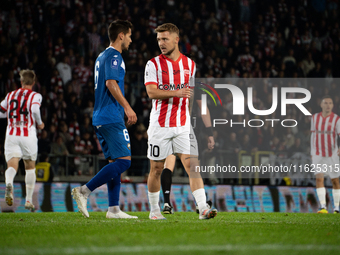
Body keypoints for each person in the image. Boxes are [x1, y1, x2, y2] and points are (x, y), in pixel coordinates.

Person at [144, 23, 217, 220]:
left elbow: (191, 95)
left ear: (177, 39)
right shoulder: (153, 64)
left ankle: (203, 208)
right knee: (157, 169)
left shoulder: (190, 65)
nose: (161, 43)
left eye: (165, 39)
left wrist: (192, 120)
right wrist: (176, 92)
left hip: (183, 125)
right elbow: (151, 92)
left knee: (193, 166)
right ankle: (154, 210)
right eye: (159, 39)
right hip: (160, 125)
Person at [71, 20, 138, 219]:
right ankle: (84, 190)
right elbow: (110, 83)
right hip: (110, 115)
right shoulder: (114, 56)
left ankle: (113, 209)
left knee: (114, 162)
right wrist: (127, 107)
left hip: (100, 116)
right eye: (129, 35)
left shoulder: (101, 56)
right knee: (124, 162)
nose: (131, 40)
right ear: (121, 36)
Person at [161, 85, 215, 214]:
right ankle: (200, 204)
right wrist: (210, 133)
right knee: (194, 167)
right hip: (186, 128)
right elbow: (203, 109)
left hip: (168, 123)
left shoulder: (170, 77)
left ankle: (167, 203)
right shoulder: (195, 83)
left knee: (168, 164)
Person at [0, 69, 44, 212]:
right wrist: (40, 123)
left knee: (11, 165)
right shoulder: (35, 96)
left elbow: (1, 111)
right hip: (28, 134)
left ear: (21, 81)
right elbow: (35, 110)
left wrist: (11, 116)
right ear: (34, 82)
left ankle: (9, 184)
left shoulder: (10, 94)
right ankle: (29, 201)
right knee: (30, 167)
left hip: (12, 133)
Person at [311, 95, 340, 213]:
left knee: (335, 180)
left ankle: (337, 207)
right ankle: (323, 207)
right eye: (326, 103)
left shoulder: (336, 119)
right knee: (319, 179)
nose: (328, 105)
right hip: (318, 153)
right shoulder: (314, 118)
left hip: (332, 154)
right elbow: (313, 135)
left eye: (330, 103)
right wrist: (312, 152)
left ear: (332, 105)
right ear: (321, 105)